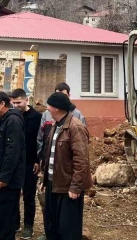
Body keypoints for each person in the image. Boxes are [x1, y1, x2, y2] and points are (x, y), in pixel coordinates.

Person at [40, 93, 92, 240]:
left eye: (48, 105)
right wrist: (45, 181)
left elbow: (81, 160)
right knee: (51, 225)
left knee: (68, 229)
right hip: (53, 183)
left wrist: (75, 186)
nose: (47, 108)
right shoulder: (57, 125)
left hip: (67, 186)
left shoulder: (75, 127)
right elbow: (51, 154)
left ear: (56, 108)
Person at [0, 91, 25, 240]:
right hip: (2, 179)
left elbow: (12, 152)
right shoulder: (4, 119)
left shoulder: (12, 121)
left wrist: (4, 177)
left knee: (5, 219)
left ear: (2, 104)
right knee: (1, 219)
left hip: (7, 182)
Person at [10, 88, 43, 239]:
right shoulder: (11, 116)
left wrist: (38, 160)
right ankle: (15, 223)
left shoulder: (37, 117)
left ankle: (28, 226)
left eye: (19, 102)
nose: (16, 105)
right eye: (13, 102)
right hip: (14, 163)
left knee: (29, 196)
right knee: (14, 194)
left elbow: (40, 141)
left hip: (30, 163)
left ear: (26, 100)